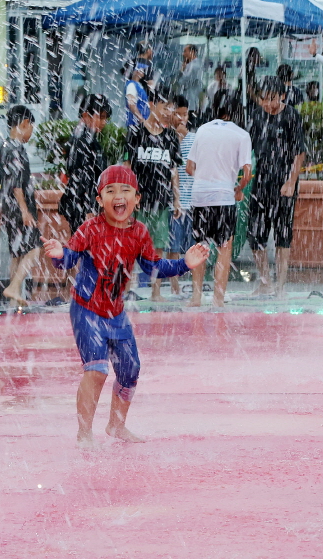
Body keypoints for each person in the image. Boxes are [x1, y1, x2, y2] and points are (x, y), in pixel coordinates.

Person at [44, 165, 209, 446]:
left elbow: (154, 268)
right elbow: (70, 257)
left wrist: (184, 264)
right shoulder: (91, 229)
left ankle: (116, 425)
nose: (118, 196)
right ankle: (84, 432)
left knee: (130, 369)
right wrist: (60, 256)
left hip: (115, 312)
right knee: (96, 370)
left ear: (137, 198)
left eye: (125, 191)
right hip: (86, 308)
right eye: (110, 191)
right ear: (99, 200)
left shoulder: (140, 233)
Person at [185, 90, 252, 307]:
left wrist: (205, 178)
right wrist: (238, 188)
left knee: (200, 246)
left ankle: (196, 297)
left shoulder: (202, 130)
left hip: (200, 196)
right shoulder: (241, 134)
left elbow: (189, 168)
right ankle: (218, 299)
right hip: (224, 196)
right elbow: (247, 173)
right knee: (224, 247)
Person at [246, 78, 307, 298]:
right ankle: (265, 282)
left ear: (282, 96)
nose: (268, 104)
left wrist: (291, 182)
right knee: (255, 235)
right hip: (261, 181)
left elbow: (299, 152)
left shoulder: (291, 115)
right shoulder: (256, 116)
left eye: (272, 98)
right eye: (264, 99)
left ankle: (280, 286)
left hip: (284, 183)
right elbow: (247, 148)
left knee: (283, 235)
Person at [125, 90, 183, 300]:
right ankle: (129, 289)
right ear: (152, 104)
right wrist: (129, 196)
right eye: (165, 107)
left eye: (171, 109)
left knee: (157, 247)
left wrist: (177, 199)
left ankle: (156, 291)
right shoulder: (136, 132)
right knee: (132, 245)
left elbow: (174, 171)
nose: (169, 113)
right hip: (139, 202)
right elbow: (127, 167)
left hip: (161, 201)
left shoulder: (170, 137)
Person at [0, 104, 41, 309]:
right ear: (25, 124)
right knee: (34, 249)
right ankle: (14, 287)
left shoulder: (6, 145)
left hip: (8, 208)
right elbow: (17, 185)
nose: (31, 131)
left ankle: (13, 300)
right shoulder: (15, 149)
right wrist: (25, 211)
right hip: (18, 208)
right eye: (31, 126)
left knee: (16, 252)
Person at [61, 94, 112, 233]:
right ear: (85, 116)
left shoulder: (84, 137)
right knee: (85, 246)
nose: (103, 122)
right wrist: (89, 208)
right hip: (82, 203)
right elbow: (84, 175)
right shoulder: (83, 140)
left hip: (81, 202)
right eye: (100, 117)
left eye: (105, 118)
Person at [165, 95, 195, 297]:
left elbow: (195, 168)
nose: (182, 119)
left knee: (192, 246)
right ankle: (174, 286)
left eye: (185, 114)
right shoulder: (165, 137)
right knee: (173, 246)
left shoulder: (194, 138)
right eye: (179, 114)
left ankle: (193, 284)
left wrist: (186, 138)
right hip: (173, 203)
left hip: (192, 201)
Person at [178, 43, 209, 113]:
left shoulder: (193, 66)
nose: (183, 54)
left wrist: (181, 71)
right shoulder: (193, 64)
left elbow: (182, 81)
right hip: (191, 99)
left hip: (192, 100)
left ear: (192, 52)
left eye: (185, 51)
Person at [124, 59, 151, 127]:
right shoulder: (131, 85)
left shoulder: (139, 85)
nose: (143, 72)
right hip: (135, 124)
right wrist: (140, 118)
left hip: (141, 123)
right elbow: (131, 103)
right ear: (136, 71)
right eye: (141, 69)